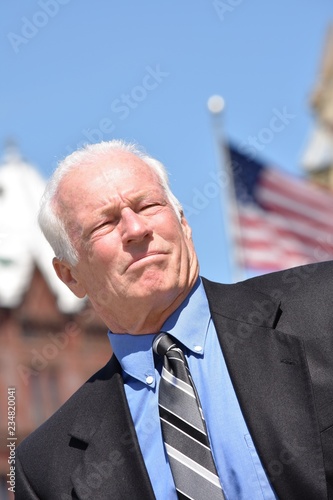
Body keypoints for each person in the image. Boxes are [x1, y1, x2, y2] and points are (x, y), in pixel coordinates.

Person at [16, 140, 333, 500]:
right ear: (70, 275)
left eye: (148, 205)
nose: (136, 229)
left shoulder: (324, 310)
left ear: (183, 223)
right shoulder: (44, 467)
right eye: (104, 223)